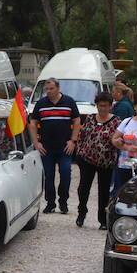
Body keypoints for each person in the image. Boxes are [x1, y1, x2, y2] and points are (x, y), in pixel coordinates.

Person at [31, 79, 82, 214]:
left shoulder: (69, 102)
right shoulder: (41, 104)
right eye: (46, 89)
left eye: (51, 88)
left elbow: (77, 120)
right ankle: (50, 202)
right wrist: (36, 142)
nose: (49, 91)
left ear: (58, 88)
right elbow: (33, 122)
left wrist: (73, 140)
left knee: (66, 174)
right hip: (46, 148)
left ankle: (63, 201)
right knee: (48, 176)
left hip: (64, 147)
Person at [74, 91, 119, 229]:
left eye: (105, 106)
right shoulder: (90, 118)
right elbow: (82, 135)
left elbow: (118, 140)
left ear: (110, 106)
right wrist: (79, 152)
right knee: (83, 188)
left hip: (106, 161)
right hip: (87, 159)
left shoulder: (117, 121)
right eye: (100, 105)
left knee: (104, 191)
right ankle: (82, 213)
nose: (103, 108)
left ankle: (103, 219)